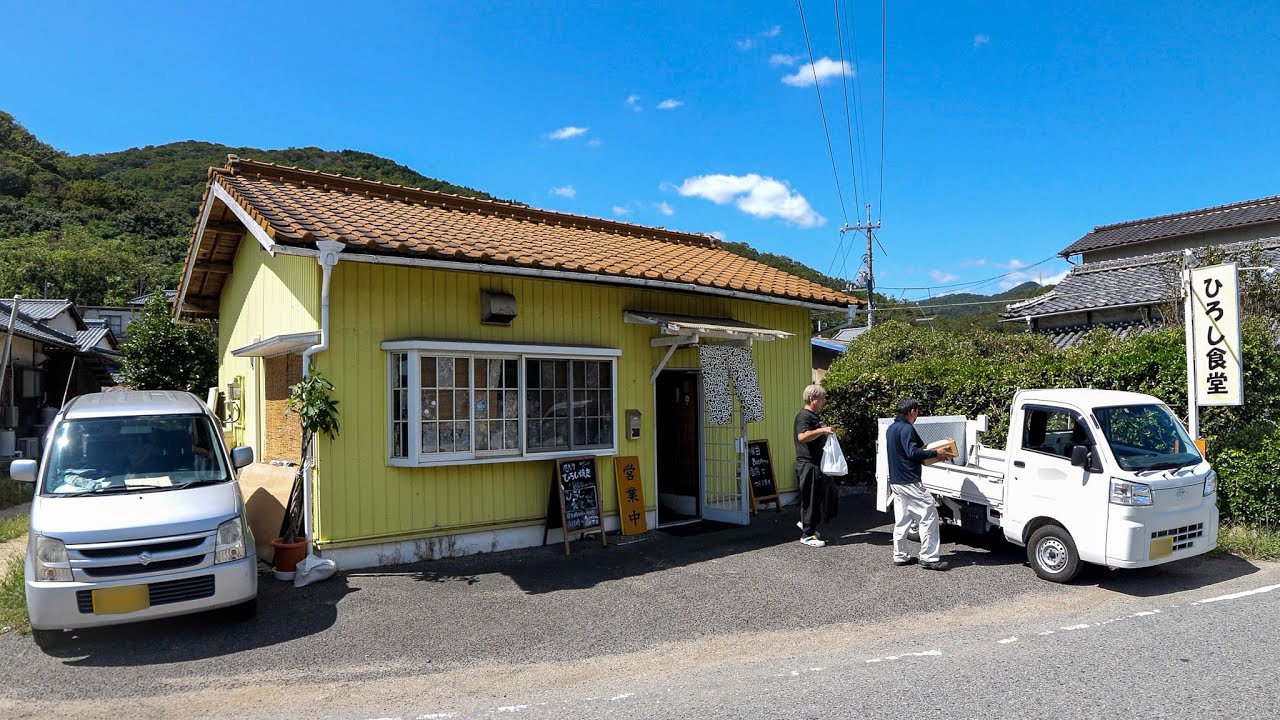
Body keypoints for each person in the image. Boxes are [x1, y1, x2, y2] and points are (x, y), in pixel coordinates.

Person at [885, 397, 956, 570]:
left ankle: (900, 555)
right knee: (929, 514)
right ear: (912, 412)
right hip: (910, 480)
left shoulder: (892, 428)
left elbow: (918, 448)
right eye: (917, 412)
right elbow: (913, 452)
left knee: (903, 519)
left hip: (896, 480)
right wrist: (937, 453)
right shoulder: (907, 429)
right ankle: (929, 557)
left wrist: (934, 451)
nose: (917, 415)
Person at [794, 384, 837, 548]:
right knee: (810, 499)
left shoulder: (813, 416)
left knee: (815, 498)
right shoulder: (804, 416)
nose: (824, 401)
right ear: (812, 399)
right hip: (808, 464)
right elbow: (802, 436)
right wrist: (822, 431)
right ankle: (807, 535)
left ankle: (809, 529)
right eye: (822, 398)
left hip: (815, 464)